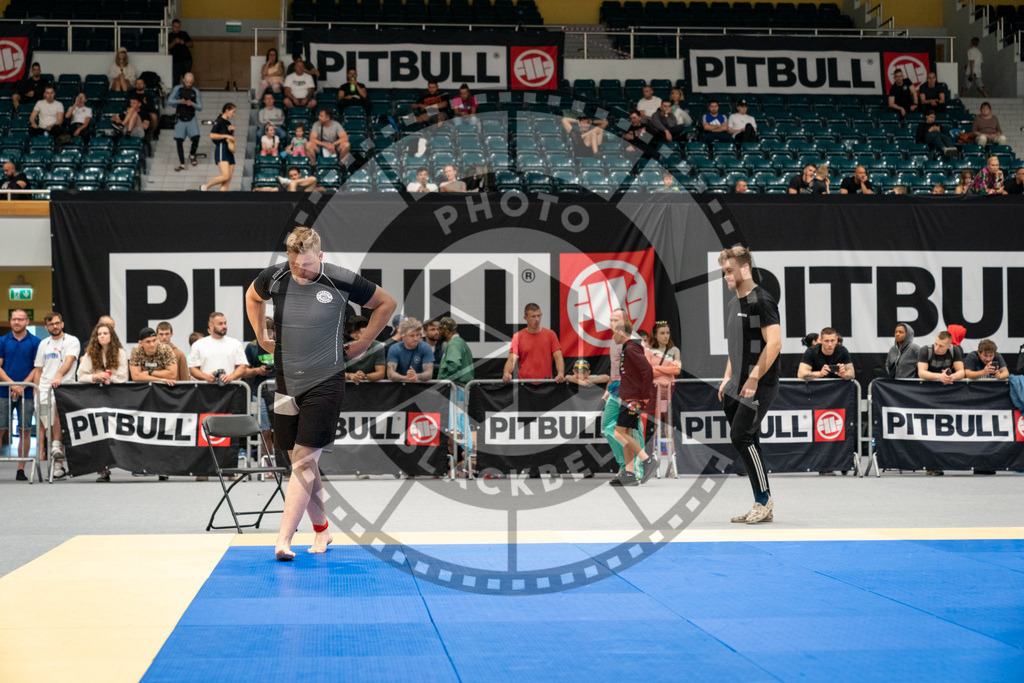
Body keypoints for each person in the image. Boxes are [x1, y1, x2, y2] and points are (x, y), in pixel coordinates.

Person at [245, 226, 395, 560]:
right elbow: (252, 297)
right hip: (286, 383)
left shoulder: (340, 279)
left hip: (326, 380)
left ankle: (283, 539)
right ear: (288, 257)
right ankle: (322, 530)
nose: (303, 271)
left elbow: (386, 303)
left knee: (303, 461)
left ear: (321, 256)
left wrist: (365, 342)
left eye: (310, 264)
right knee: (300, 462)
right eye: (298, 264)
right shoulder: (275, 276)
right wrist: (260, 334)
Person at [717, 246, 782, 525]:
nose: (725, 277)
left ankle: (764, 499)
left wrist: (754, 377)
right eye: (723, 272)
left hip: (760, 384)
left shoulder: (761, 301)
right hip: (737, 384)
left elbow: (775, 343)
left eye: (729, 271)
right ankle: (761, 501)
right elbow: (736, 346)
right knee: (749, 439)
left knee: (741, 435)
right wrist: (727, 377)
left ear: (745, 268)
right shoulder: (734, 303)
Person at [77, 322, 129, 481]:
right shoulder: (90, 354)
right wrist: (95, 377)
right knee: (99, 433)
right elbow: (80, 376)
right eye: (99, 334)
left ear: (111, 336)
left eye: (105, 333)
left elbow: (123, 377)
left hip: (116, 398)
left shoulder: (120, 353)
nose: (102, 336)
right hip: (96, 397)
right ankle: (102, 470)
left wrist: (108, 377)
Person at [30, 312, 80, 476]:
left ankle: (57, 452)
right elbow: (38, 370)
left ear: (62, 324)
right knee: (47, 424)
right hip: (44, 388)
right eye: (51, 324)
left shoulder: (72, 341)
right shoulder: (43, 344)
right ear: (46, 327)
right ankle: (52, 461)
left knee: (58, 417)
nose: (55, 326)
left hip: (64, 387)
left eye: (57, 323)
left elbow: (69, 360)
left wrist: (58, 376)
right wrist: (35, 391)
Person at [610, 319, 658, 486]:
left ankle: (647, 460)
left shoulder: (631, 348)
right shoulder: (629, 348)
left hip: (633, 399)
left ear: (621, 333)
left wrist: (644, 396)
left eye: (613, 332)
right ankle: (629, 473)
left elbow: (647, 370)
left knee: (618, 433)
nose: (612, 336)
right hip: (629, 396)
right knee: (626, 433)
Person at [601, 308, 645, 482]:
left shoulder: (634, 340)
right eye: (611, 320)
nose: (613, 324)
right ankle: (625, 466)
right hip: (615, 389)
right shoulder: (614, 339)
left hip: (629, 391)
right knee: (608, 427)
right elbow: (615, 369)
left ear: (626, 321)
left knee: (632, 430)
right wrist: (608, 388)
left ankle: (636, 469)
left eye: (617, 320)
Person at [0, 309, 40, 481]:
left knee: (25, 430)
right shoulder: (2, 341)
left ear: (27, 321)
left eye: (20, 319)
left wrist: (22, 386)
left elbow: (37, 368)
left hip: (28, 393)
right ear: (10, 321)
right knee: (0, 429)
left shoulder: (36, 342)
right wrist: (12, 385)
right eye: (14, 319)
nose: (17, 322)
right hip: (3, 391)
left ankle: (21, 469)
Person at [646, 321, 680, 463]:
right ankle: (652, 459)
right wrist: (666, 369)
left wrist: (658, 369)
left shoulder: (674, 351)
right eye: (662, 333)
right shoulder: (648, 350)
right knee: (654, 425)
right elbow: (648, 371)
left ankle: (672, 462)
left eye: (667, 333)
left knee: (668, 426)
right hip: (653, 390)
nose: (666, 336)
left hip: (668, 390)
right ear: (655, 334)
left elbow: (676, 370)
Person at [502, 303, 564, 382]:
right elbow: (511, 359)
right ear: (525, 318)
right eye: (533, 316)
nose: (537, 319)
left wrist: (561, 373)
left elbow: (558, 357)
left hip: (546, 383)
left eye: (539, 315)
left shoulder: (550, 334)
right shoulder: (517, 337)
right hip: (524, 384)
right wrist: (506, 373)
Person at [243, 317, 276, 460]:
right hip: (259, 393)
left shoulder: (281, 346)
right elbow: (244, 371)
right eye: (263, 333)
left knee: (282, 430)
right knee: (265, 431)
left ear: (275, 332)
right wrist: (258, 370)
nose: (267, 337)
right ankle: (268, 463)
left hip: (280, 393)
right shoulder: (252, 347)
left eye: (270, 333)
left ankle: (285, 464)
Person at [187, 311, 248, 384]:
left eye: (225, 323)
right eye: (220, 324)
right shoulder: (198, 345)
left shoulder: (236, 344)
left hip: (231, 389)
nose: (224, 326)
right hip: (205, 388)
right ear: (211, 325)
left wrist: (230, 377)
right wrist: (206, 377)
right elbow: (193, 369)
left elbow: (242, 366)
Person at [168, 73, 203, 171]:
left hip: (191, 118)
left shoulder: (196, 91)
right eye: (187, 82)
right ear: (183, 80)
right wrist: (179, 101)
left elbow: (200, 107)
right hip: (180, 118)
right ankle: (182, 163)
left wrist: (192, 104)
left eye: (191, 82)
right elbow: (169, 101)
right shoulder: (177, 89)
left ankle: (192, 154)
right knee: (179, 141)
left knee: (196, 137)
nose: (188, 84)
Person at [201, 103, 237, 192]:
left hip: (229, 149)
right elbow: (212, 135)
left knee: (228, 178)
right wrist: (226, 136)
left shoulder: (228, 123)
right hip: (222, 148)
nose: (234, 114)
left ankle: (223, 198)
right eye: (233, 112)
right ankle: (206, 186)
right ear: (227, 110)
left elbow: (230, 137)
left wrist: (232, 132)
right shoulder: (219, 121)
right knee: (225, 175)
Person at [344, 316, 386, 383]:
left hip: (372, 388)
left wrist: (364, 376)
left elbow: (381, 373)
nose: (369, 337)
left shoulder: (378, 347)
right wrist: (350, 375)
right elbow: (337, 373)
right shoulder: (345, 348)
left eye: (370, 333)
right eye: (365, 335)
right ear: (354, 336)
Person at [436, 316, 473, 384]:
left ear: (447, 332)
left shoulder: (453, 344)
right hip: (460, 386)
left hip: (456, 387)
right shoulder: (460, 342)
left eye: (440, 329)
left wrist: (443, 378)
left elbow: (454, 365)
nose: (438, 332)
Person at [168, 19, 193, 87]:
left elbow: (191, 45)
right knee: (176, 79)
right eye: (175, 27)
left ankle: (187, 93)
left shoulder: (184, 34)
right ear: (172, 27)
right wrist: (174, 42)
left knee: (187, 78)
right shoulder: (169, 35)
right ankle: (177, 94)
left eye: (179, 27)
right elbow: (168, 47)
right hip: (176, 61)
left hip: (186, 59)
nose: (177, 29)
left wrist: (183, 42)